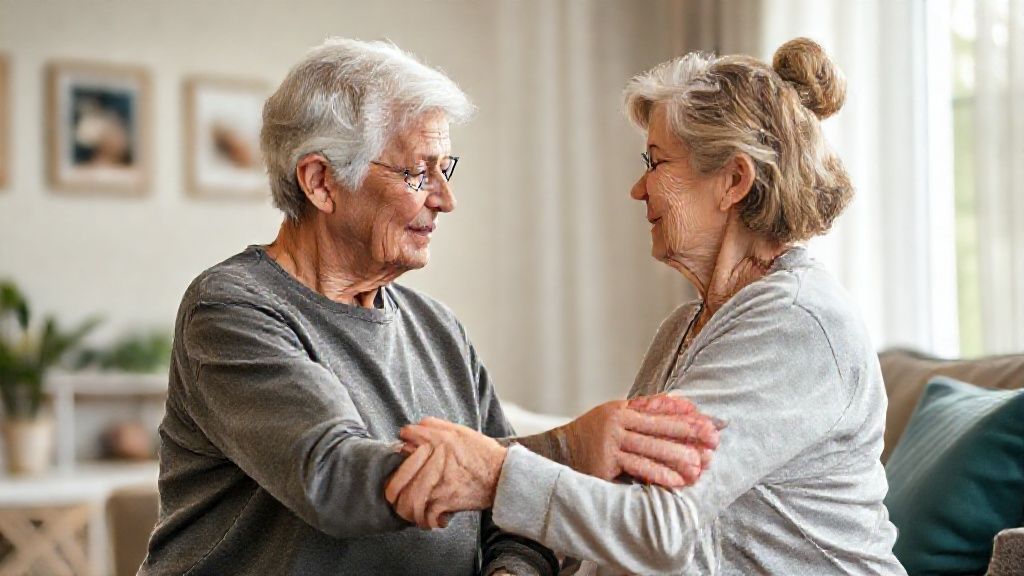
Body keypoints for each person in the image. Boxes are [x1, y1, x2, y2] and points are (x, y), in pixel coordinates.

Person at [139, 38, 714, 576]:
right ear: (320, 182)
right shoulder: (233, 308)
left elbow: (512, 516)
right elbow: (333, 477)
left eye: (446, 169)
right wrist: (564, 449)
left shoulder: (435, 327)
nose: (446, 199)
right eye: (418, 172)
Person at [385, 38, 908, 575]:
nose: (639, 189)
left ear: (733, 180)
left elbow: (656, 530)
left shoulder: (796, 323)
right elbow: (610, 507)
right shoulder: (687, 326)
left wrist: (494, 472)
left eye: (655, 163)